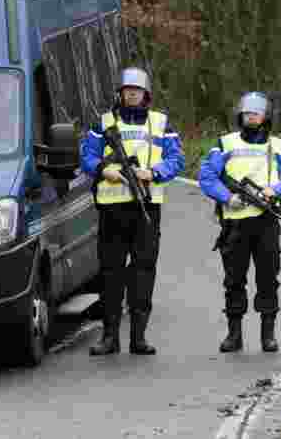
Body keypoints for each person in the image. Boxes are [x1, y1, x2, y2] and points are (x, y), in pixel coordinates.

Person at [79, 67, 185, 355]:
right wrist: (105, 169)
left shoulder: (161, 123)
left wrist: (153, 173)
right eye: (127, 90)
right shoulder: (104, 123)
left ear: (146, 94)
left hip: (146, 206)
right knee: (111, 272)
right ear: (121, 93)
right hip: (112, 208)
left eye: (137, 90)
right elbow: (86, 155)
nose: (132, 94)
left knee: (143, 270)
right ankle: (110, 337)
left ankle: (139, 337)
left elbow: (177, 159)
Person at [198, 91, 281, 353]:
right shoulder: (225, 143)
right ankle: (234, 335)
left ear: (265, 116)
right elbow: (207, 176)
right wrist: (227, 197)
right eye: (247, 113)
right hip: (234, 223)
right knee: (234, 279)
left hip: (266, 221)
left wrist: (274, 190)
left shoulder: (279, 146)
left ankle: (268, 335)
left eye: (255, 113)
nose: (250, 117)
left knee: (268, 278)